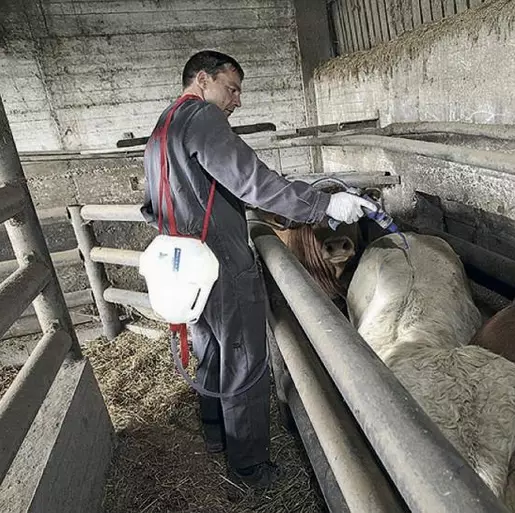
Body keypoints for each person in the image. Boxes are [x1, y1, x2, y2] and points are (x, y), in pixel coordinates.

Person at [140, 50, 374, 487]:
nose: (237, 101)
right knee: (246, 360)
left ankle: (214, 435)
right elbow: (252, 180)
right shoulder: (204, 119)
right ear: (204, 80)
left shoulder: (162, 127)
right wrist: (323, 204)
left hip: (181, 260)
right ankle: (249, 468)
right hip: (221, 258)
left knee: (209, 345)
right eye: (232, 88)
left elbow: (152, 204)